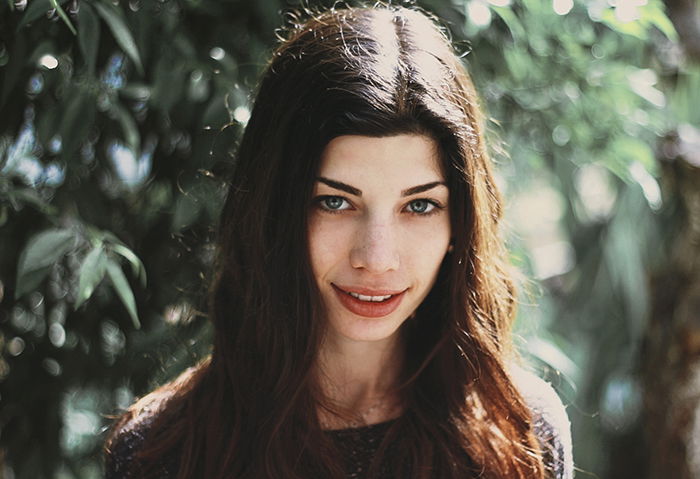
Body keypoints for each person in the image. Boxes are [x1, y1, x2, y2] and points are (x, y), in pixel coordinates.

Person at [104, 4, 573, 479]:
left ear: (462, 224)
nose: (377, 258)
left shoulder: (521, 435)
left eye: (419, 206)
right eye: (334, 202)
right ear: (275, 210)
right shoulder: (164, 454)